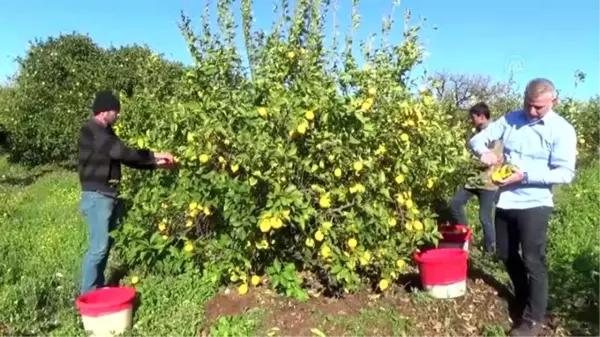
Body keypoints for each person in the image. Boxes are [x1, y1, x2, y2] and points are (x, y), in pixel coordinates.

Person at [469, 78, 576, 337]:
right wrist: (483, 153)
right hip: (506, 199)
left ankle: (533, 319)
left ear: (553, 101)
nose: (531, 111)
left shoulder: (562, 130)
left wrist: (525, 175)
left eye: (538, 107)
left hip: (535, 202)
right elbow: (478, 140)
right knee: (505, 253)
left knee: (533, 260)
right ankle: (524, 296)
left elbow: (565, 173)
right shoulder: (511, 119)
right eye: (528, 104)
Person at [78, 90, 176, 295]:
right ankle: (87, 296)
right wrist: (156, 154)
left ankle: (98, 286)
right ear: (105, 111)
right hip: (97, 195)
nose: (118, 114)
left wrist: (156, 165)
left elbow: (126, 158)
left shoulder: (106, 132)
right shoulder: (91, 130)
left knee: (107, 243)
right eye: (116, 110)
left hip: (109, 194)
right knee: (98, 248)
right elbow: (120, 152)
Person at [449, 102, 503, 253]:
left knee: (484, 217)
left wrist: (467, 161)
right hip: (473, 180)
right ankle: (466, 238)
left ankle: (491, 249)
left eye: (473, 117)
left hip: (488, 182)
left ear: (481, 116)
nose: (472, 120)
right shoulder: (479, 132)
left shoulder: (493, 133)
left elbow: (490, 158)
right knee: (455, 204)